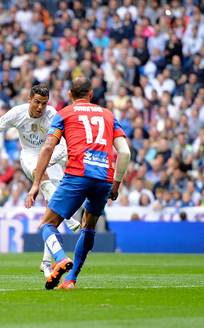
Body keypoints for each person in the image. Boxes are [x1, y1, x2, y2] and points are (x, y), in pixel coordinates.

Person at [25, 77, 130, 290]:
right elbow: (125, 152)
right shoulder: (109, 115)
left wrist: (36, 183)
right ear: (91, 95)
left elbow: (47, 148)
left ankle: (60, 258)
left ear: (70, 95)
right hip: (104, 178)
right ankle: (71, 279)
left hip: (77, 175)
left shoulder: (64, 114)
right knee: (88, 227)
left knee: (47, 224)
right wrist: (116, 184)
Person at [0, 85, 81, 277]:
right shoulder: (17, 113)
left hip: (53, 153)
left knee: (51, 212)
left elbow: (65, 144)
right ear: (29, 99)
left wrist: (49, 161)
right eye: (37, 102)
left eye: (44, 103)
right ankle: (68, 216)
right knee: (41, 176)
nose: (41, 107)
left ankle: (46, 262)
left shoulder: (53, 114)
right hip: (29, 156)